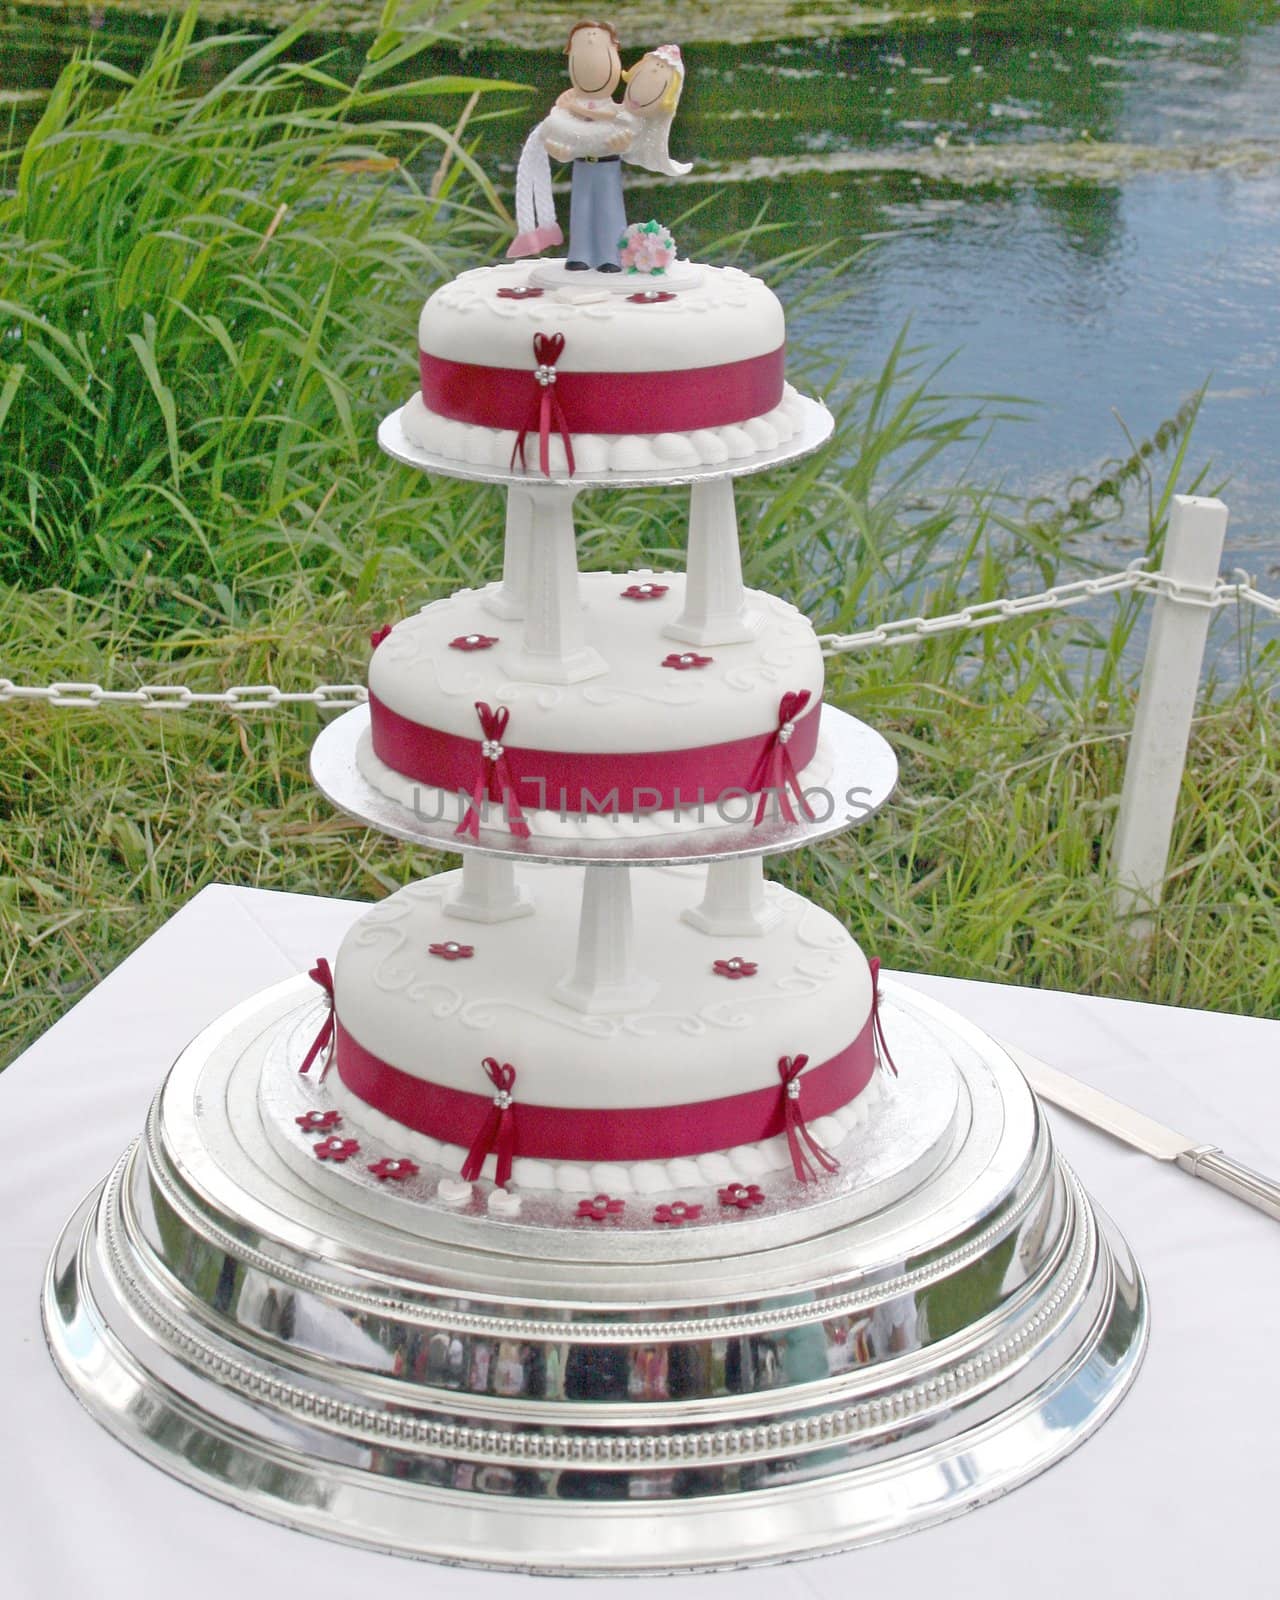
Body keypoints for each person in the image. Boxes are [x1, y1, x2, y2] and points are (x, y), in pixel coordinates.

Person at [508, 28, 690, 266]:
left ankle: (610, 256)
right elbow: (581, 130)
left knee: (609, 210)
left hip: (607, 168)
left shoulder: (624, 117)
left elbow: (607, 124)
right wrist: (563, 152)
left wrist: (622, 144)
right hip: (582, 166)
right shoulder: (599, 109)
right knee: (580, 210)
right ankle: (579, 254)